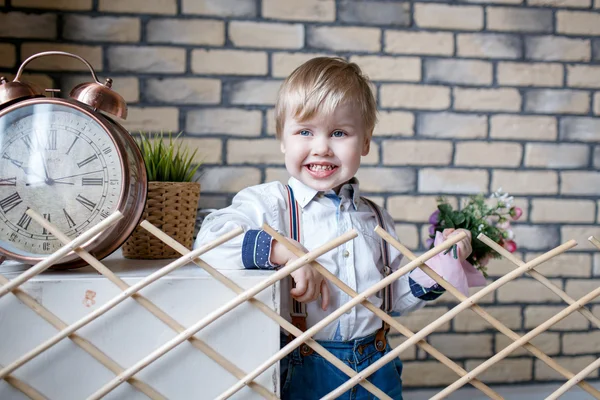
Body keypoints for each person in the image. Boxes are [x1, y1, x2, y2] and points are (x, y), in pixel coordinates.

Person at [194, 57, 472, 399]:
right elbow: (209, 241)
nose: (322, 147)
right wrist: (286, 251)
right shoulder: (271, 204)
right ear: (283, 139)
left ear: (365, 143)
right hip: (304, 367)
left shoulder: (377, 218)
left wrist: (438, 268)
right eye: (305, 132)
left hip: (377, 365)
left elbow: (392, 299)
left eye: (339, 133)